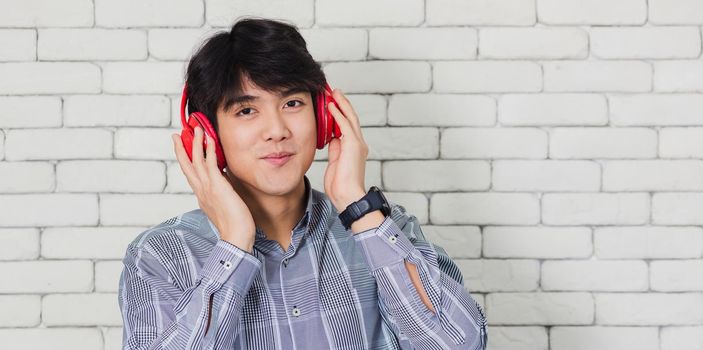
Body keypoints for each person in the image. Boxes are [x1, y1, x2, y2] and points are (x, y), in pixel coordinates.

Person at [118, 17, 487, 350]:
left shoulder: (387, 234)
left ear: (324, 118)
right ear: (207, 135)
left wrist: (358, 207)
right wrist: (233, 245)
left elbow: (458, 345)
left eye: (292, 103)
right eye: (246, 111)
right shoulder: (159, 256)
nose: (277, 131)